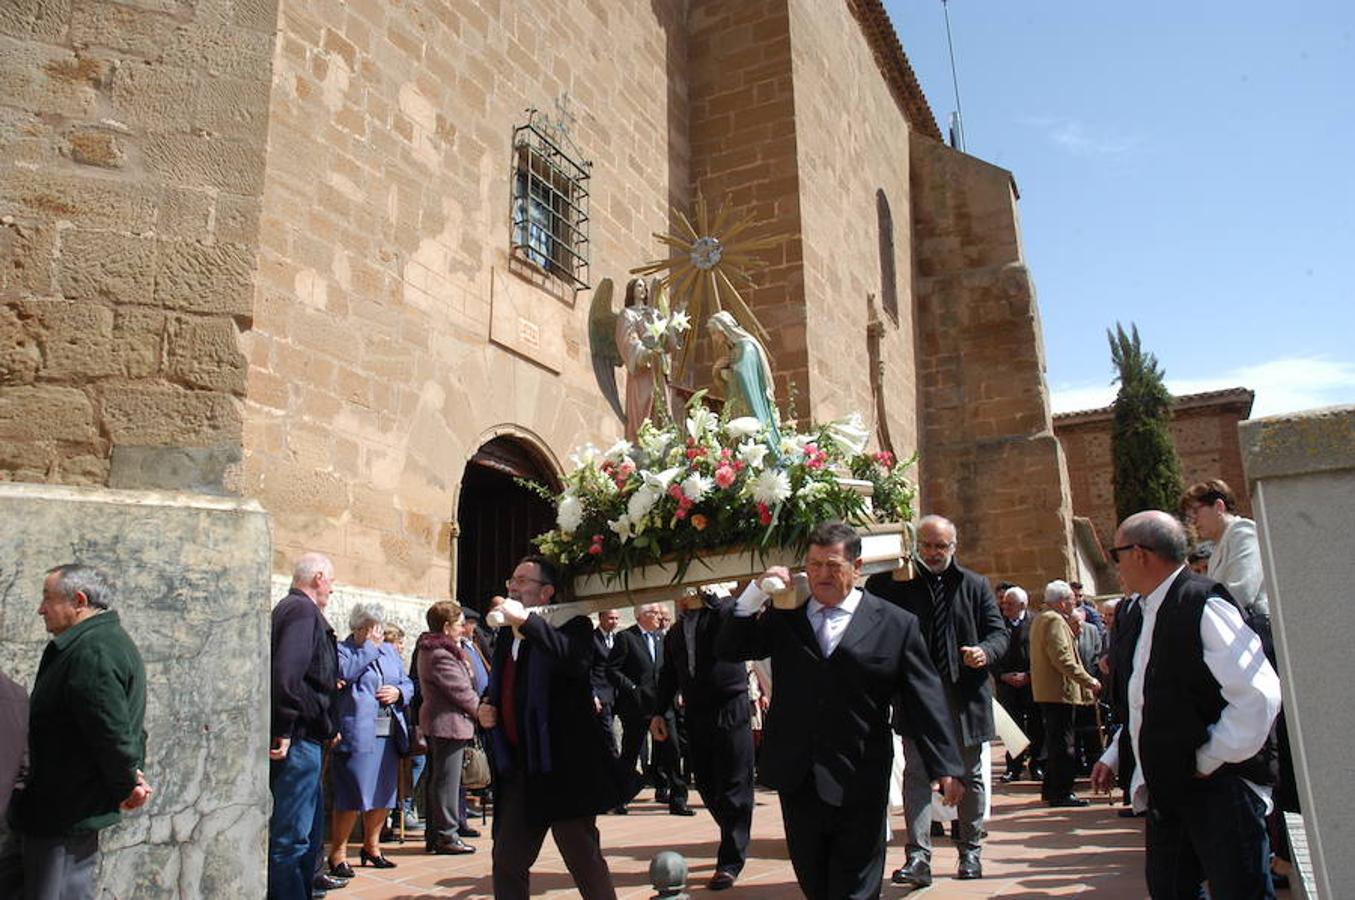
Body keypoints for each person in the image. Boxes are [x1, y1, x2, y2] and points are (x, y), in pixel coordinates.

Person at [717, 521, 964, 900]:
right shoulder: (786, 617)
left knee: (856, 885)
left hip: (860, 773)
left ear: (857, 566)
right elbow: (730, 648)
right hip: (798, 773)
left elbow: (924, 698)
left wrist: (946, 765)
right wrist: (754, 593)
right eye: (814, 566)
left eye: (833, 565)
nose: (821, 575)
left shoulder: (895, 624)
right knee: (815, 881)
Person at [1091, 511, 1282, 898]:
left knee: (1239, 889)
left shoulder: (1203, 604)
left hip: (1220, 791)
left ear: (1140, 554)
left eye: (1117, 554)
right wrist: (1116, 753)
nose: (1117, 566)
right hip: (1170, 789)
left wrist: (1207, 758)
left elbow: (1259, 694)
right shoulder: (1142, 612)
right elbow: (1147, 697)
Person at [864, 514, 1007, 885]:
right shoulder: (898, 585)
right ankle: (918, 857)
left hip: (965, 696)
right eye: (925, 545)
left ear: (953, 547)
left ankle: (971, 850)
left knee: (970, 776)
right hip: (917, 697)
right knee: (916, 774)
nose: (931, 552)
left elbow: (998, 633)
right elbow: (869, 595)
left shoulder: (974, 585)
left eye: (939, 546)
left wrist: (984, 652)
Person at [477, 555, 623, 899]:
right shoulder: (505, 634)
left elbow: (575, 660)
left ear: (546, 593)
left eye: (523, 581)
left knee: (582, 857)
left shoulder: (574, 626)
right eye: (512, 580)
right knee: (507, 859)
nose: (512, 586)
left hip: (562, 768)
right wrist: (485, 705)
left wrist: (528, 623)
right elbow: (502, 685)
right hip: (520, 768)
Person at [10, 564, 150, 900]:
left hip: (66, 811)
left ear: (79, 601)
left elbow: (110, 730)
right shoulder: (87, 644)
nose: (40, 609)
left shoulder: (93, 650)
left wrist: (126, 783)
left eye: (48, 598)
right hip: (59, 809)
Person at [651, 589, 756, 890]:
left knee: (735, 781)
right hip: (696, 712)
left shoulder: (720, 615)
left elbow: (733, 611)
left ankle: (730, 861)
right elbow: (668, 674)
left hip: (730, 706)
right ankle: (734, 833)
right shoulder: (674, 632)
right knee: (708, 783)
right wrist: (659, 712)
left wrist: (710, 595)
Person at [268, 554, 340, 899]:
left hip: (307, 739)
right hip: (297, 741)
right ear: (319, 577)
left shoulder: (299, 611)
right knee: (291, 839)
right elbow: (287, 674)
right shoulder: (299, 610)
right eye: (331, 581)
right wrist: (283, 727)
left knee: (307, 836)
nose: (332, 589)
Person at [326, 603, 413, 877]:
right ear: (360, 628)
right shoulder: (344, 650)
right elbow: (345, 673)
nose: (378, 631)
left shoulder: (389, 651)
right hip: (358, 731)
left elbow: (408, 682)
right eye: (373, 626)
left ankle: (372, 847)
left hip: (387, 729)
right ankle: (338, 853)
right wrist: (369, 649)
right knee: (353, 793)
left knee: (383, 791)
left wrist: (398, 692)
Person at [416, 601, 478, 855]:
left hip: (445, 723)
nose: (463, 629)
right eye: (459, 624)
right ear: (446, 627)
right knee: (446, 782)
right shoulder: (440, 654)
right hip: (447, 723)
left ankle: (437, 835)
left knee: (440, 780)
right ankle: (446, 835)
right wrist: (482, 712)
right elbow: (460, 690)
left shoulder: (439, 650)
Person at [1030, 580, 1101, 807]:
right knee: (1064, 744)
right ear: (1062, 602)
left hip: (1049, 692)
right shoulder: (1054, 620)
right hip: (1058, 692)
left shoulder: (1042, 618)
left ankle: (1051, 788)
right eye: (1071, 600)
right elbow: (1062, 658)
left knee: (1056, 742)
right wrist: (1088, 680)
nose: (1074, 603)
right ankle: (1061, 791)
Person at [615, 603, 689, 814]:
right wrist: (632, 688)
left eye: (659, 613)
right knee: (630, 752)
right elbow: (612, 670)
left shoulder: (662, 638)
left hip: (662, 706)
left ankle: (678, 799)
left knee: (672, 751)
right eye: (653, 613)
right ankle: (620, 797)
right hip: (636, 706)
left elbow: (670, 670)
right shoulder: (626, 638)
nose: (659, 617)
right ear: (640, 616)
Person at [1180, 478, 1269, 617]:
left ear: (1219, 507)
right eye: (1189, 517)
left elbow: (1241, 592)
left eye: (1195, 512)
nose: (1193, 521)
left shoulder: (1242, 531)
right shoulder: (1218, 546)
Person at [707, 310, 781, 448]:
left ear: (724, 329)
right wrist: (718, 372)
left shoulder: (746, 347)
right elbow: (731, 389)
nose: (714, 338)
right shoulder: (735, 350)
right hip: (740, 409)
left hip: (750, 408)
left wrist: (725, 370)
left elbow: (746, 378)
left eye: (714, 333)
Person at [992, 586, 1043, 783]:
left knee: (1036, 726)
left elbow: (1041, 653)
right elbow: (992, 652)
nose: (1005, 607)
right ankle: (1013, 767)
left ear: (1022, 605)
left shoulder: (1036, 622)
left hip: (1030, 684)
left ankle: (1037, 764)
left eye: (1010, 604)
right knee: (1011, 728)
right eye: (1004, 603)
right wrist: (1002, 676)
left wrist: (1029, 675)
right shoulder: (997, 624)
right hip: (1006, 685)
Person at [590, 609, 624, 759]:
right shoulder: (592, 639)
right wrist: (593, 694)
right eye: (611, 618)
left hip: (618, 693)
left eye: (617, 618)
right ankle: (615, 763)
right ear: (601, 618)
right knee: (608, 732)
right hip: (601, 694)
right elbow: (588, 669)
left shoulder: (617, 639)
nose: (614, 622)